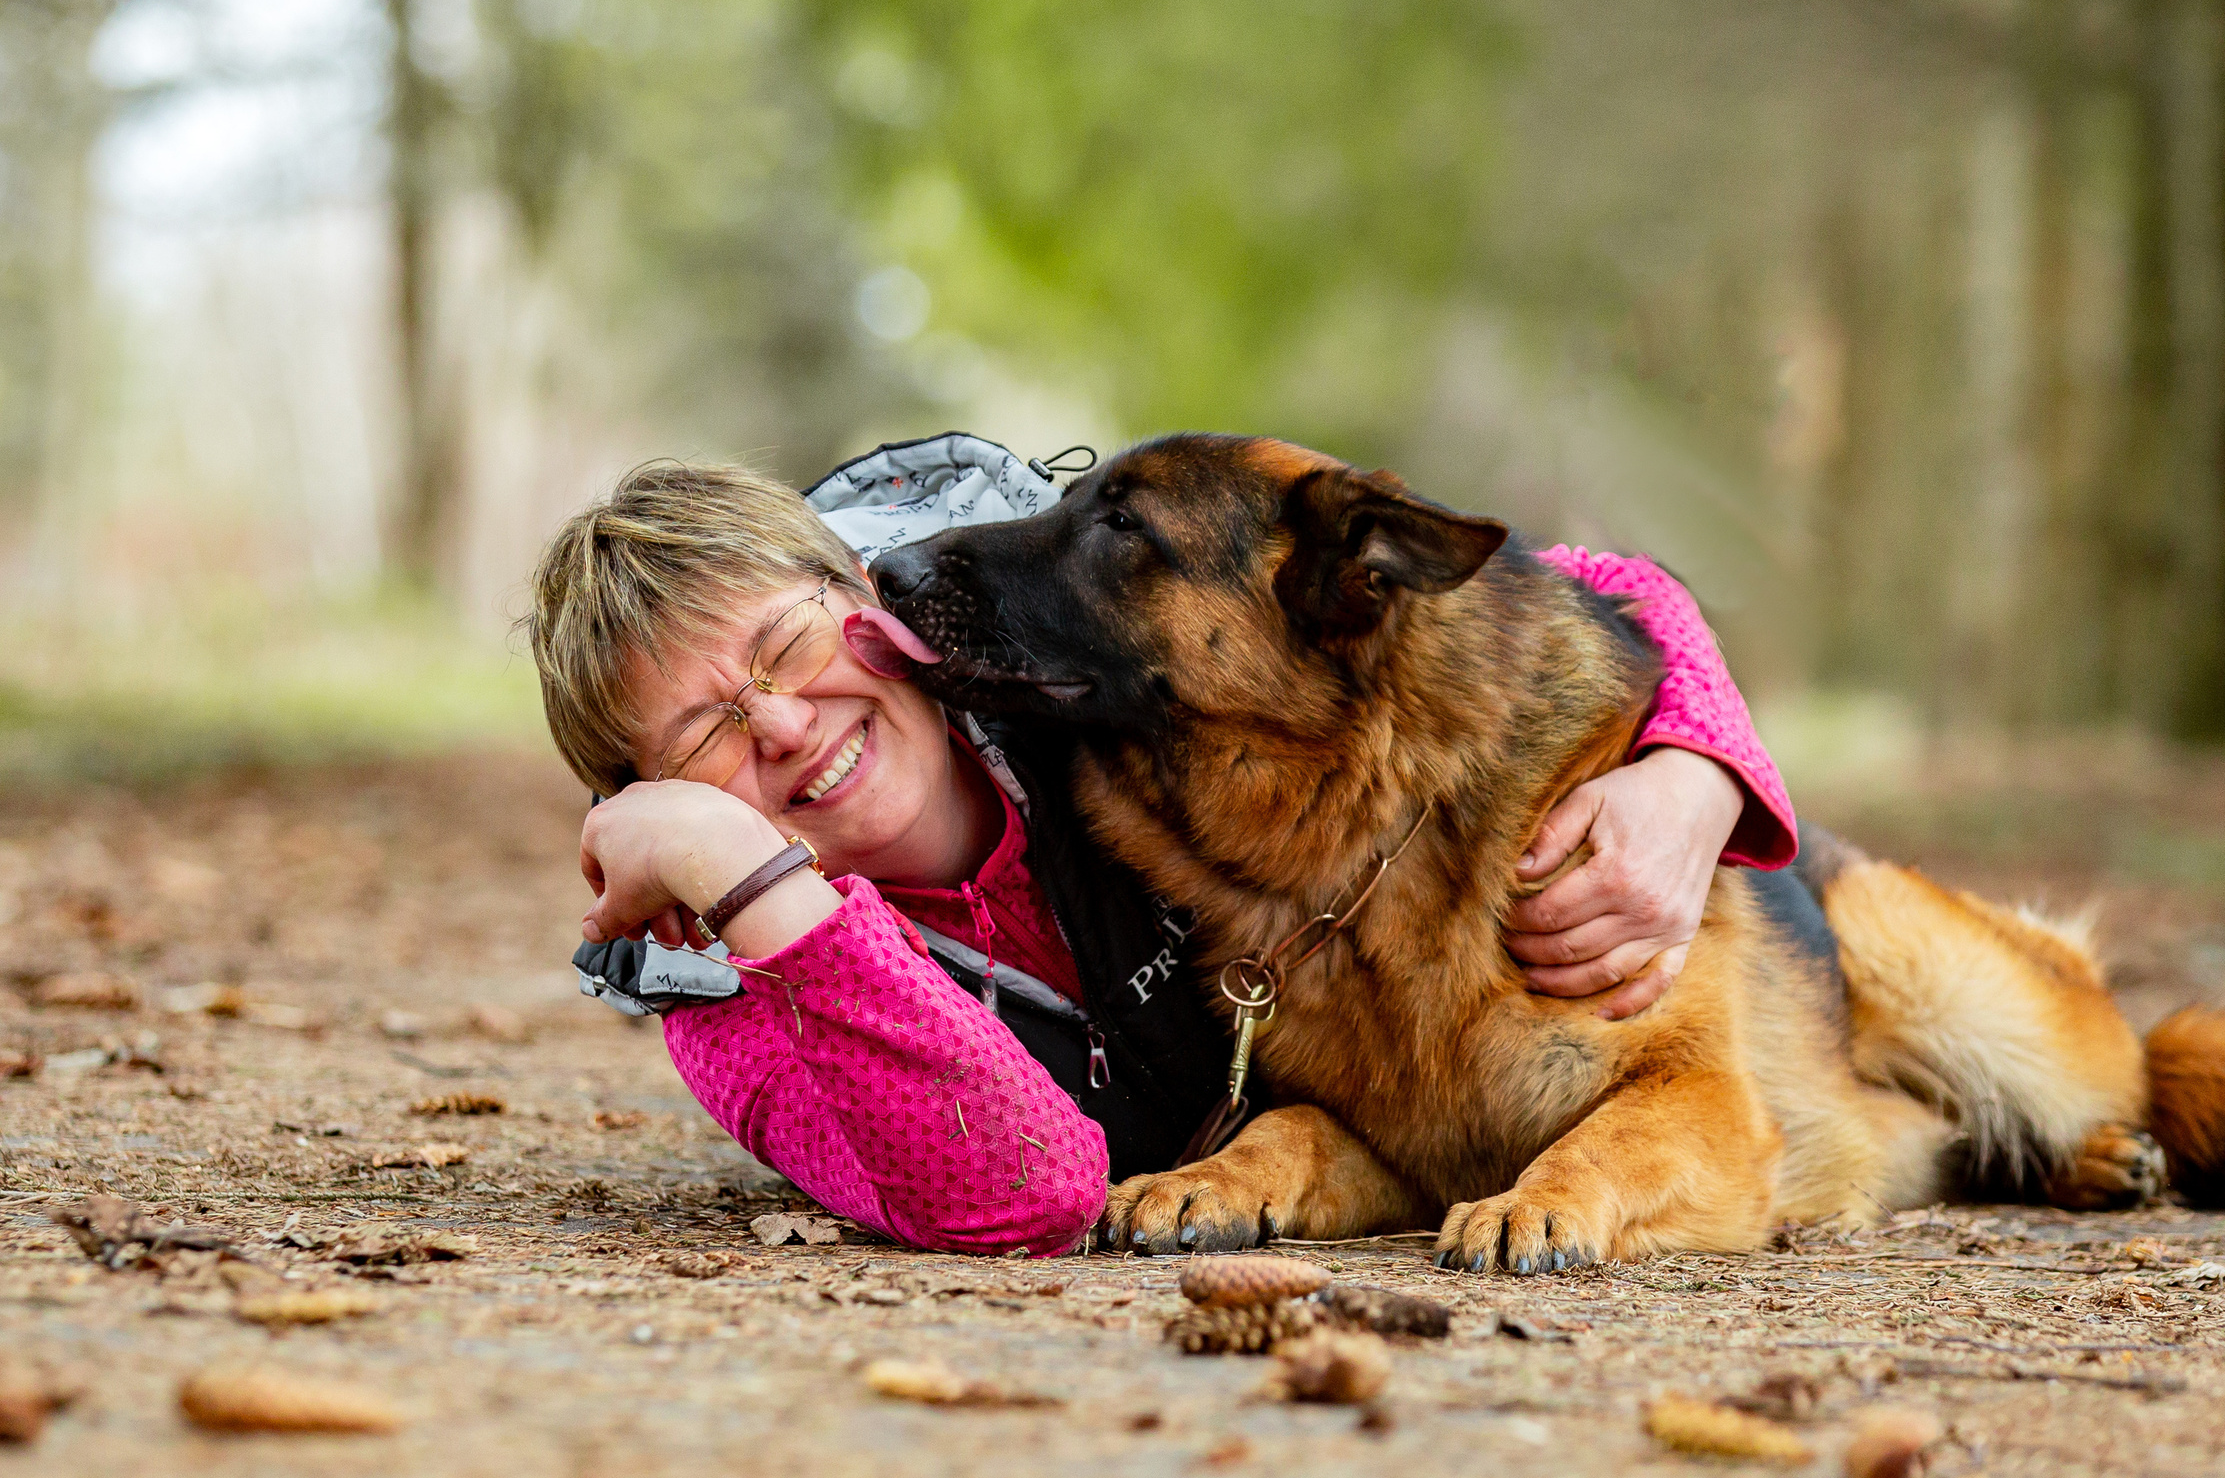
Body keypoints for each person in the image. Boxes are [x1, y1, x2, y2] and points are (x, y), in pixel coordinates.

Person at [525, 456, 1796, 1255]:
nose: (788, 727)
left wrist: (1695, 776)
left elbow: (1588, 586)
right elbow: (1022, 1194)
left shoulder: (1083, 680)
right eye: (705, 738)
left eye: (785, 645)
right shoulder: (738, 1001)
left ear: (858, 594)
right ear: (646, 803)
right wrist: (756, 884)